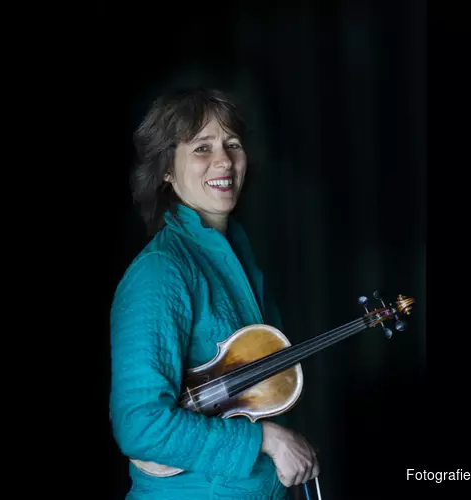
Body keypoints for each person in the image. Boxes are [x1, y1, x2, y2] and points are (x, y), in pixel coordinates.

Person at [109, 88, 320, 500]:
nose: (224, 160)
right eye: (202, 148)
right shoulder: (161, 271)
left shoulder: (239, 260)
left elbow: (256, 401)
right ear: (166, 169)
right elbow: (141, 425)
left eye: (233, 145)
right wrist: (268, 442)